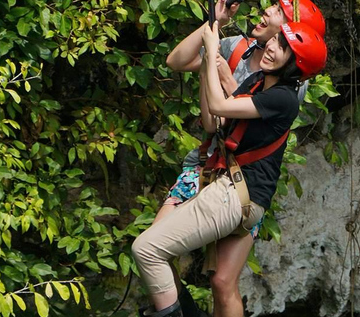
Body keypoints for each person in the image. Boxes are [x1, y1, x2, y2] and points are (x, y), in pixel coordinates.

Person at [132, 20, 327, 317]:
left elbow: (221, 107)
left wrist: (212, 57)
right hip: (224, 184)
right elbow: (213, 122)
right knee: (155, 251)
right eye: (275, 40)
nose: (272, 46)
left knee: (148, 250)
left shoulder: (282, 98)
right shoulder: (258, 82)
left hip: (237, 194)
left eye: (283, 47)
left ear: (294, 65)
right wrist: (206, 68)